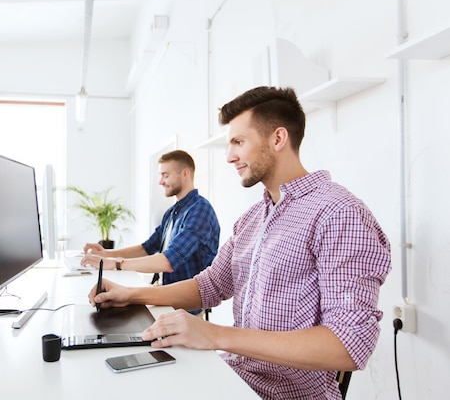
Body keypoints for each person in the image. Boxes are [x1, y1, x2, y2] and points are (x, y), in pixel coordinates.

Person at [88, 87, 392, 399]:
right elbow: (210, 286)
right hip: (234, 377)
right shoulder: (253, 218)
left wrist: (215, 335)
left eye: (238, 142)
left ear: (277, 139)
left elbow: (350, 344)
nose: (230, 156)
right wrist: (131, 295)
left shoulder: (339, 213)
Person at [80, 150, 220, 306]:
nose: (161, 182)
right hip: (164, 294)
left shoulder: (200, 210)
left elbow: (169, 260)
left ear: (185, 174)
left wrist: (116, 263)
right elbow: (147, 248)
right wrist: (106, 254)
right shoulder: (173, 212)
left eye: (166, 175)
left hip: (185, 306)